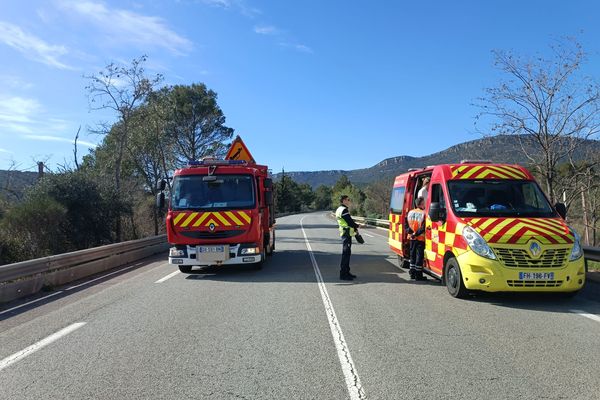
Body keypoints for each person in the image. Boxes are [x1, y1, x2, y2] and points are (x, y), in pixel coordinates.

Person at [335, 195, 360, 281]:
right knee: (346, 254)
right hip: (346, 234)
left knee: (347, 254)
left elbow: (348, 221)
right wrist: (357, 226)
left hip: (346, 233)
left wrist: (355, 228)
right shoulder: (343, 210)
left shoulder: (339, 209)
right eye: (347, 200)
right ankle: (343, 275)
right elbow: (349, 221)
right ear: (343, 200)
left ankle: (347, 272)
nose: (349, 201)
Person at [404, 196, 428, 281]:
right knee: (419, 257)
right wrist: (416, 233)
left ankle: (412, 273)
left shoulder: (410, 213)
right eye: (424, 203)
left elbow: (406, 226)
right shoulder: (423, 213)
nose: (425, 204)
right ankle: (418, 275)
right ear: (421, 204)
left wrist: (411, 233)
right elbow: (423, 227)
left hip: (412, 238)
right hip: (420, 238)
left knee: (412, 256)